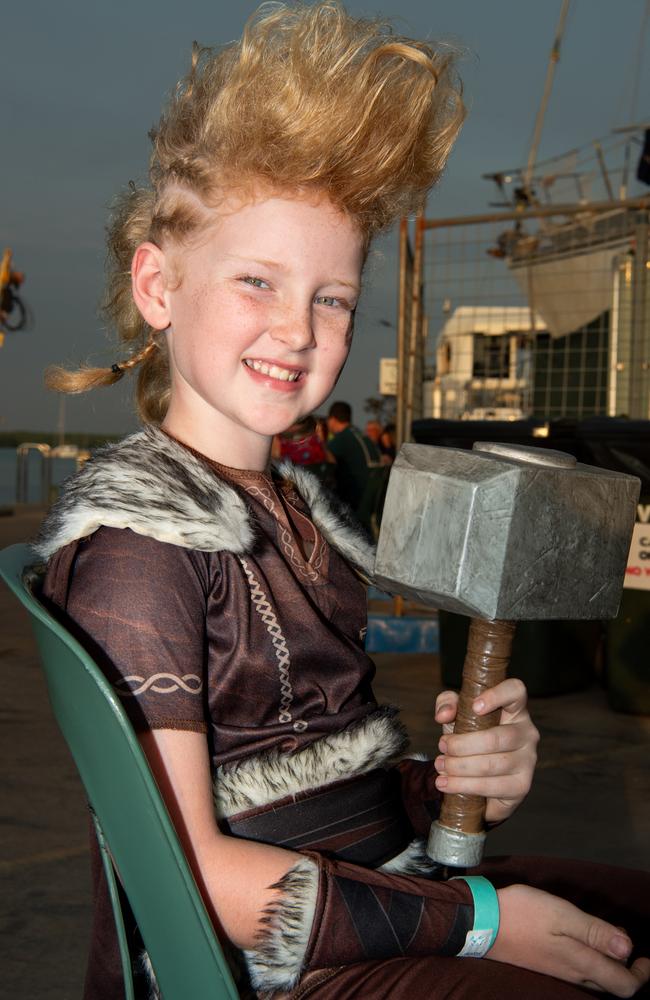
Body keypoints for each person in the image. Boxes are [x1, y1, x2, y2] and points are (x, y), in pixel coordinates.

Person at [34, 4, 649, 999]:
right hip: (270, 970)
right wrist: (483, 920)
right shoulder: (141, 549)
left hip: (377, 901)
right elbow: (188, 873)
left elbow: (330, 794)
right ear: (157, 284)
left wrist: (456, 789)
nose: (296, 326)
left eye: (330, 294)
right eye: (256, 280)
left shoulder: (300, 510)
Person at [327, 401, 386, 533]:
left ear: (332, 419)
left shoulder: (343, 439)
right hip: (372, 502)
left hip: (356, 504)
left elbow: (322, 461)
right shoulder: (360, 435)